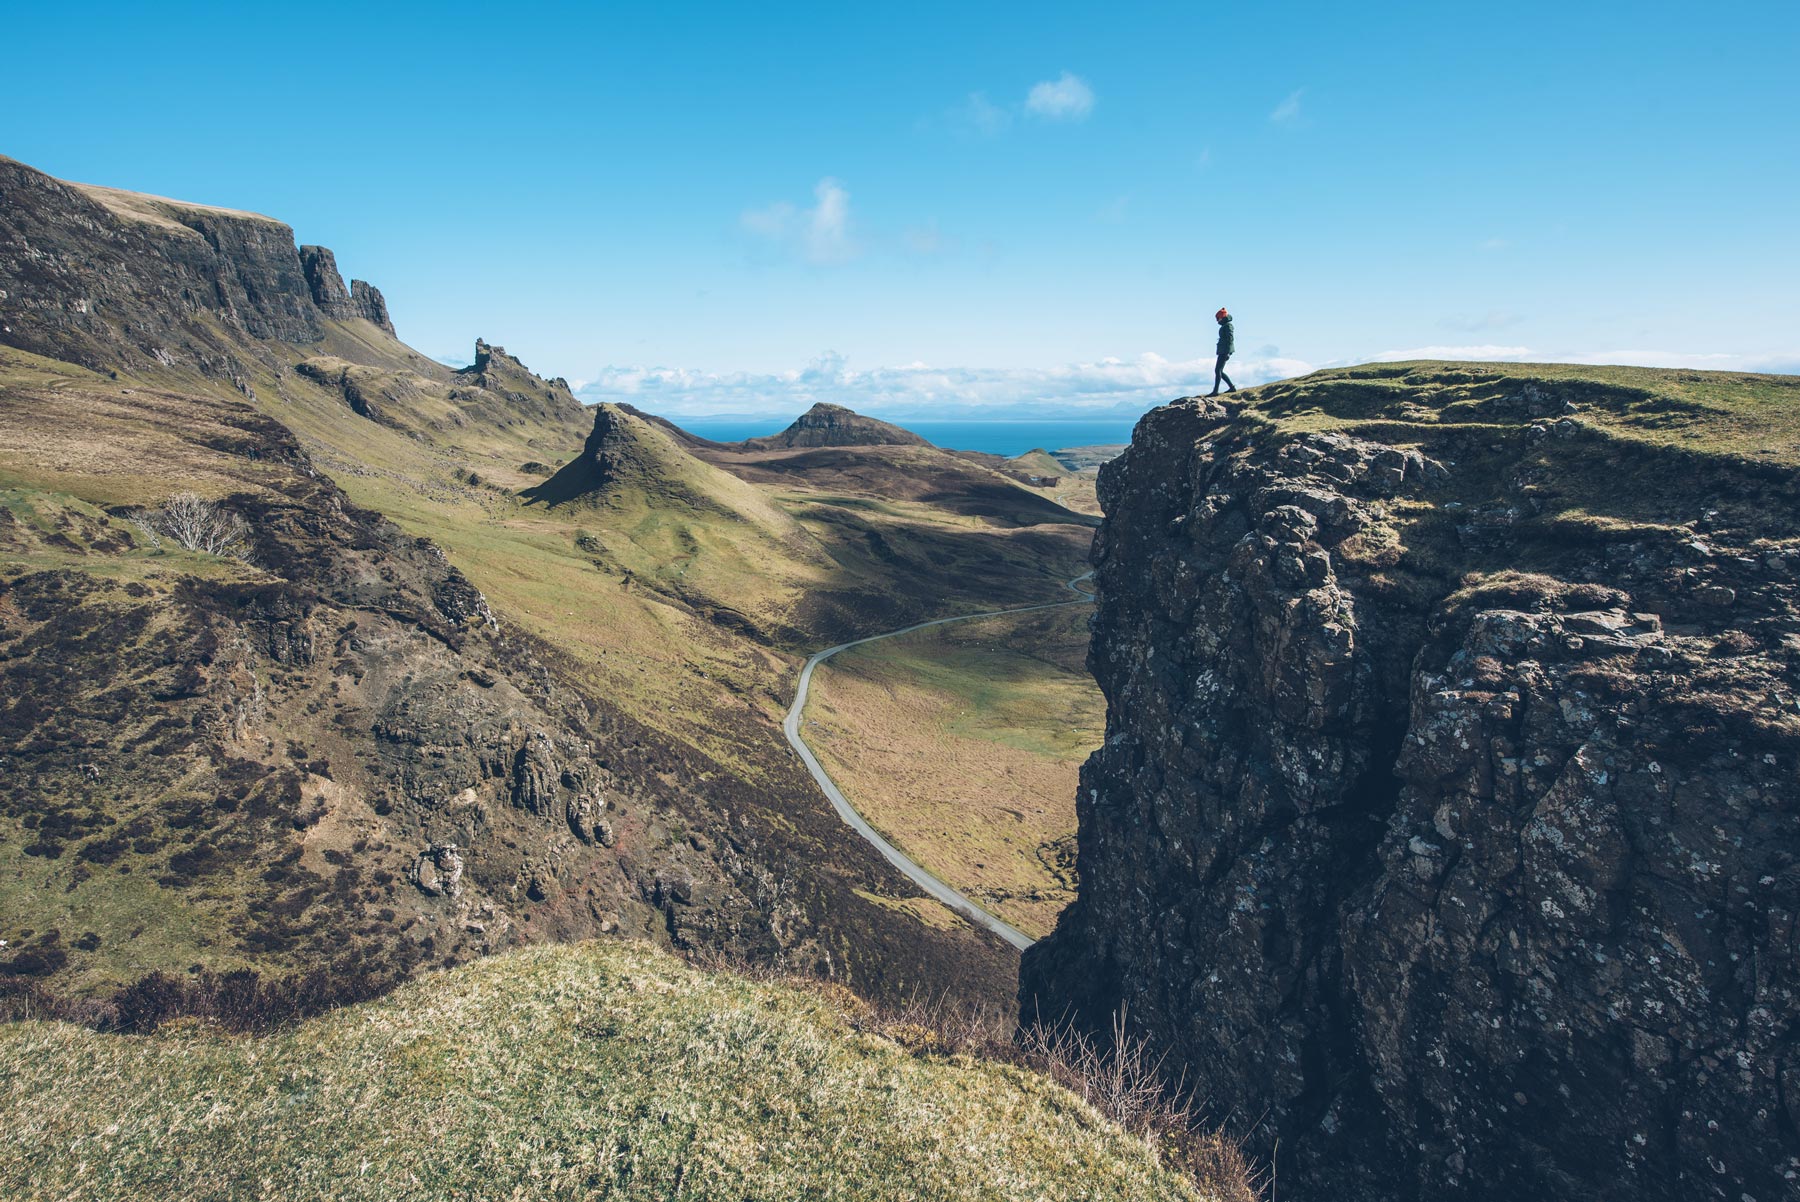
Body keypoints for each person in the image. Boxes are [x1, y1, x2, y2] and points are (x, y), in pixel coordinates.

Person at [1208, 307, 1236, 396]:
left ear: (1222, 317)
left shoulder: (1228, 326)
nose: (1217, 321)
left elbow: (1230, 339)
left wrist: (1228, 352)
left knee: (1218, 370)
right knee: (1219, 370)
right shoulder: (1225, 325)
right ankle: (1231, 387)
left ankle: (1216, 391)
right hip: (1223, 351)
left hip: (1225, 351)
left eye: (1218, 318)